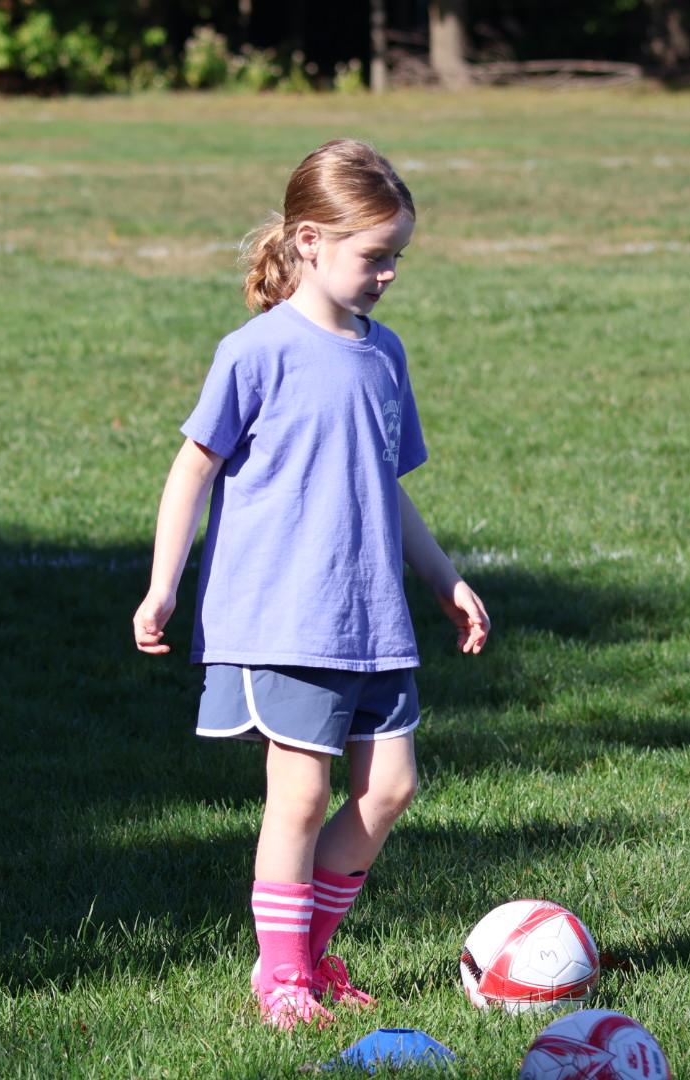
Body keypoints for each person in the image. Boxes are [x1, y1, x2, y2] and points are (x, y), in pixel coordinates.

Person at [131, 139, 489, 1031]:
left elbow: (386, 485)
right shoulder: (257, 351)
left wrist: (444, 579)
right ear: (309, 241)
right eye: (376, 256)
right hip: (285, 618)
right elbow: (193, 468)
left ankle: (304, 957)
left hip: (372, 618)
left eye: (398, 256)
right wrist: (164, 585)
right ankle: (282, 978)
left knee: (390, 789)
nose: (389, 274)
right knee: (298, 797)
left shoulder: (385, 354)